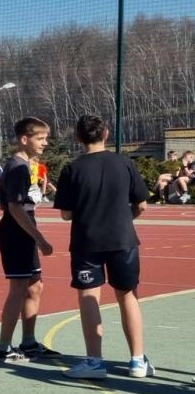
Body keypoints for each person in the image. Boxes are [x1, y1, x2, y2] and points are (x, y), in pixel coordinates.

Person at [54, 115, 152, 379]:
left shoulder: (72, 169)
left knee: (88, 296)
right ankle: (137, 361)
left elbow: (65, 214)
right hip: (123, 239)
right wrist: (122, 218)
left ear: (78, 138)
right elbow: (141, 204)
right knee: (128, 295)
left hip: (87, 241)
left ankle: (95, 362)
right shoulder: (124, 162)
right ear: (106, 133)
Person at [0, 117, 55, 364]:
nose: (45, 143)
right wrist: (39, 238)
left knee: (35, 285)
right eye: (40, 138)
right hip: (16, 230)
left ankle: (28, 342)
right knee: (18, 288)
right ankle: (3, 347)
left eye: (45, 138)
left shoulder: (27, 165)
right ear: (24, 139)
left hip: (24, 228)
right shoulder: (17, 166)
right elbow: (15, 208)